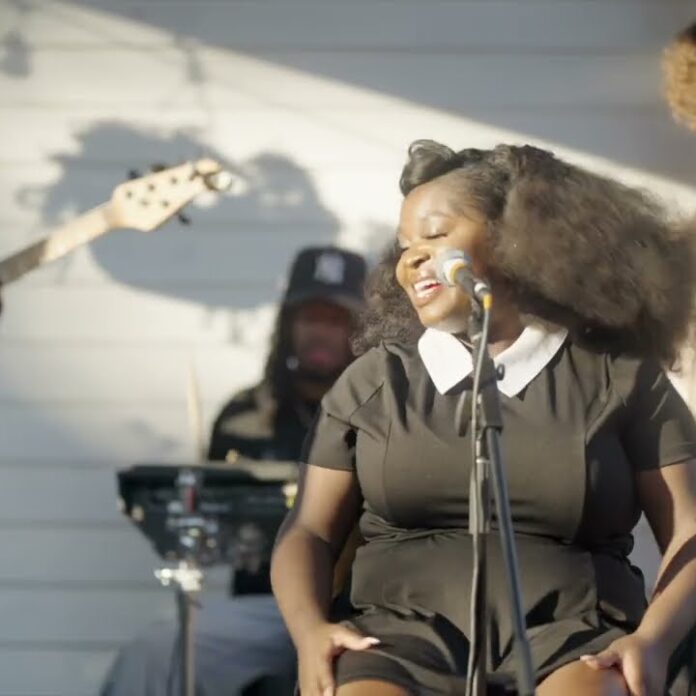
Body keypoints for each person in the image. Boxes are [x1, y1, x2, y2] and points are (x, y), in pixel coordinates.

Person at [271, 142, 696, 696]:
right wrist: (310, 632)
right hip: (394, 641)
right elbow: (308, 530)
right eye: (405, 246)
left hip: (577, 639)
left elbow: (689, 530)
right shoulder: (374, 381)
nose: (411, 260)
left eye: (435, 235)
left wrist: (655, 641)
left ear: (515, 238)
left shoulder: (618, 376)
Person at [101, 246, 367, 696]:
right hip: (265, 610)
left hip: (359, 607)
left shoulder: (384, 411)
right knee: (154, 652)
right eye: (310, 317)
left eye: (336, 319)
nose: (321, 331)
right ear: (288, 324)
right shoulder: (244, 417)